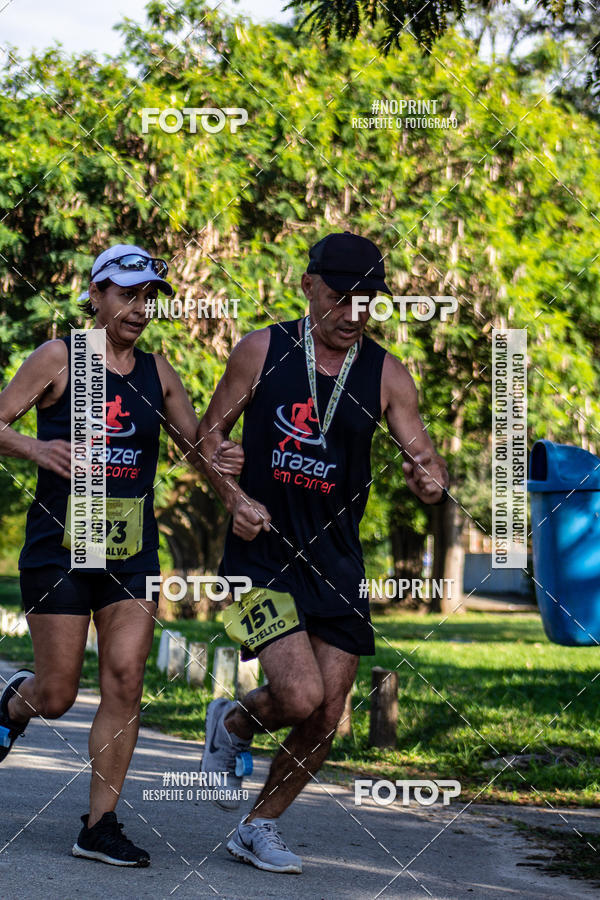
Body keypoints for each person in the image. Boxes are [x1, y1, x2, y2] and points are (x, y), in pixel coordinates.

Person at [198, 231, 449, 874]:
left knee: (326, 717)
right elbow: (207, 437)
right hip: (259, 555)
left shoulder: (386, 373)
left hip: (337, 561)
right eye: (340, 299)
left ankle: (256, 820)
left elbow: (424, 456)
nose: (352, 315)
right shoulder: (261, 351)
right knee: (301, 693)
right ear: (308, 285)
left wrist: (431, 478)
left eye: (367, 302)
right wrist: (232, 495)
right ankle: (234, 723)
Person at [0, 244, 243, 867]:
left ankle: (99, 824)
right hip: (59, 546)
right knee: (56, 692)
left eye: (148, 297)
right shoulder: (60, 357)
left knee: (126, 681)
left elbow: (197, 445)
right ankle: (11, 705)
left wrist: (230, 475)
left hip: (130, 551)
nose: (138, 309)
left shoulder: (157, 373)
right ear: (97, 293)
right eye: (127, 295)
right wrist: (37, 450)